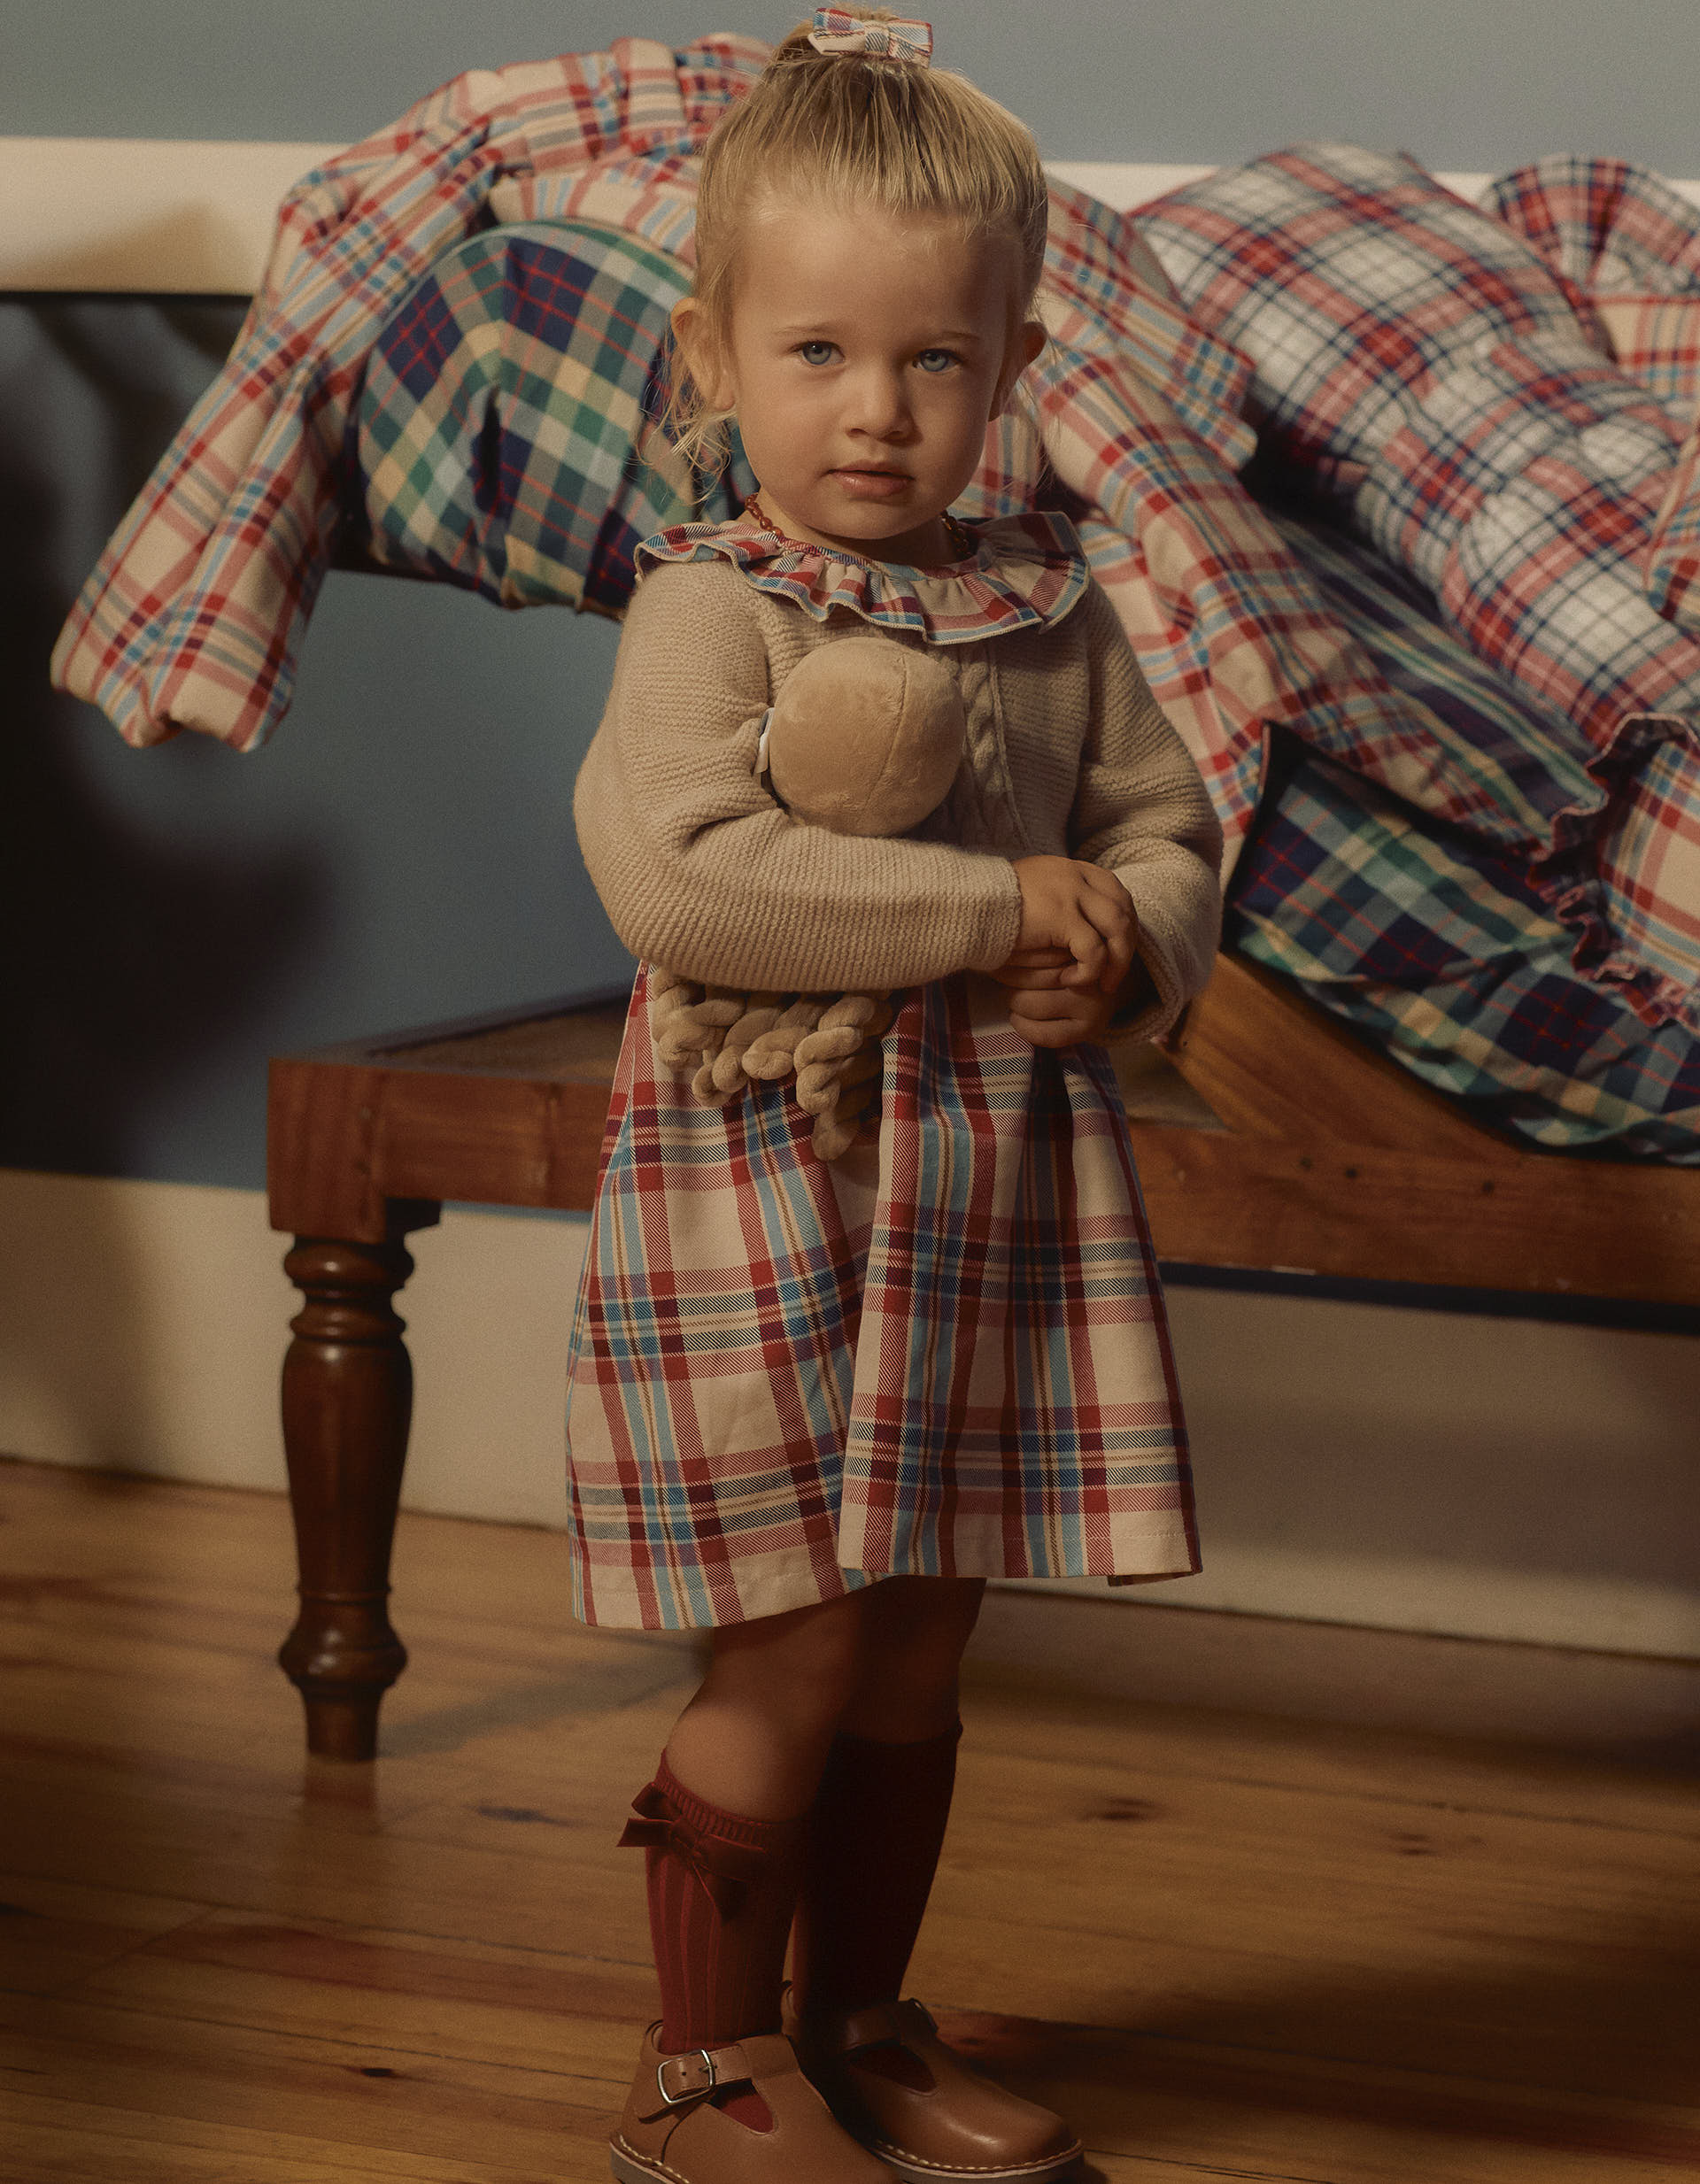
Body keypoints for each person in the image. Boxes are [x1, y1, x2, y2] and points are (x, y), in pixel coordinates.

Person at [566, 13, 1224, 2181]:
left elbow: (1164, 829)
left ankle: (858, 2015)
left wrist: (1123, 929)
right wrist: (980, 906)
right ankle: (698, 2061)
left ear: (1013, 356)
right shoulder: (708, 610)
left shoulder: (1055, 609)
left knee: (926, 1623)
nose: (878, 407)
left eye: (935, 359)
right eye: (822, 350)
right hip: (769, 1187)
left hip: (992, 1194)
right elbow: (685, 869)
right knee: (801, 1629)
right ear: (715, 355)